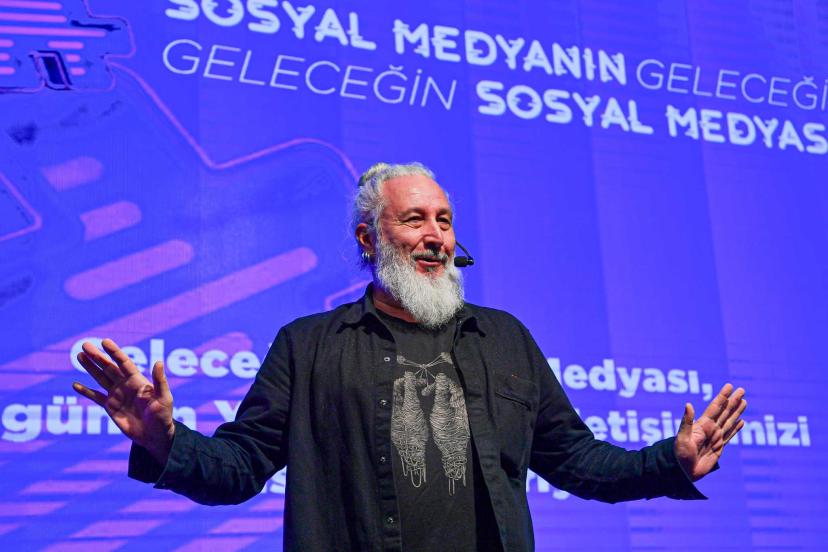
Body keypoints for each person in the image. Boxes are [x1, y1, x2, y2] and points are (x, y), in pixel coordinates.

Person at [72, 162, 747, 552]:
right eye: (415, 219)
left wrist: (670, 461)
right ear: (370, 239)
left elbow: (577, 460)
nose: (435, 236)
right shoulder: (308, 345)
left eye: (444, 221)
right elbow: (240, 467)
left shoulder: (505, 339)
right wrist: (164, 440)